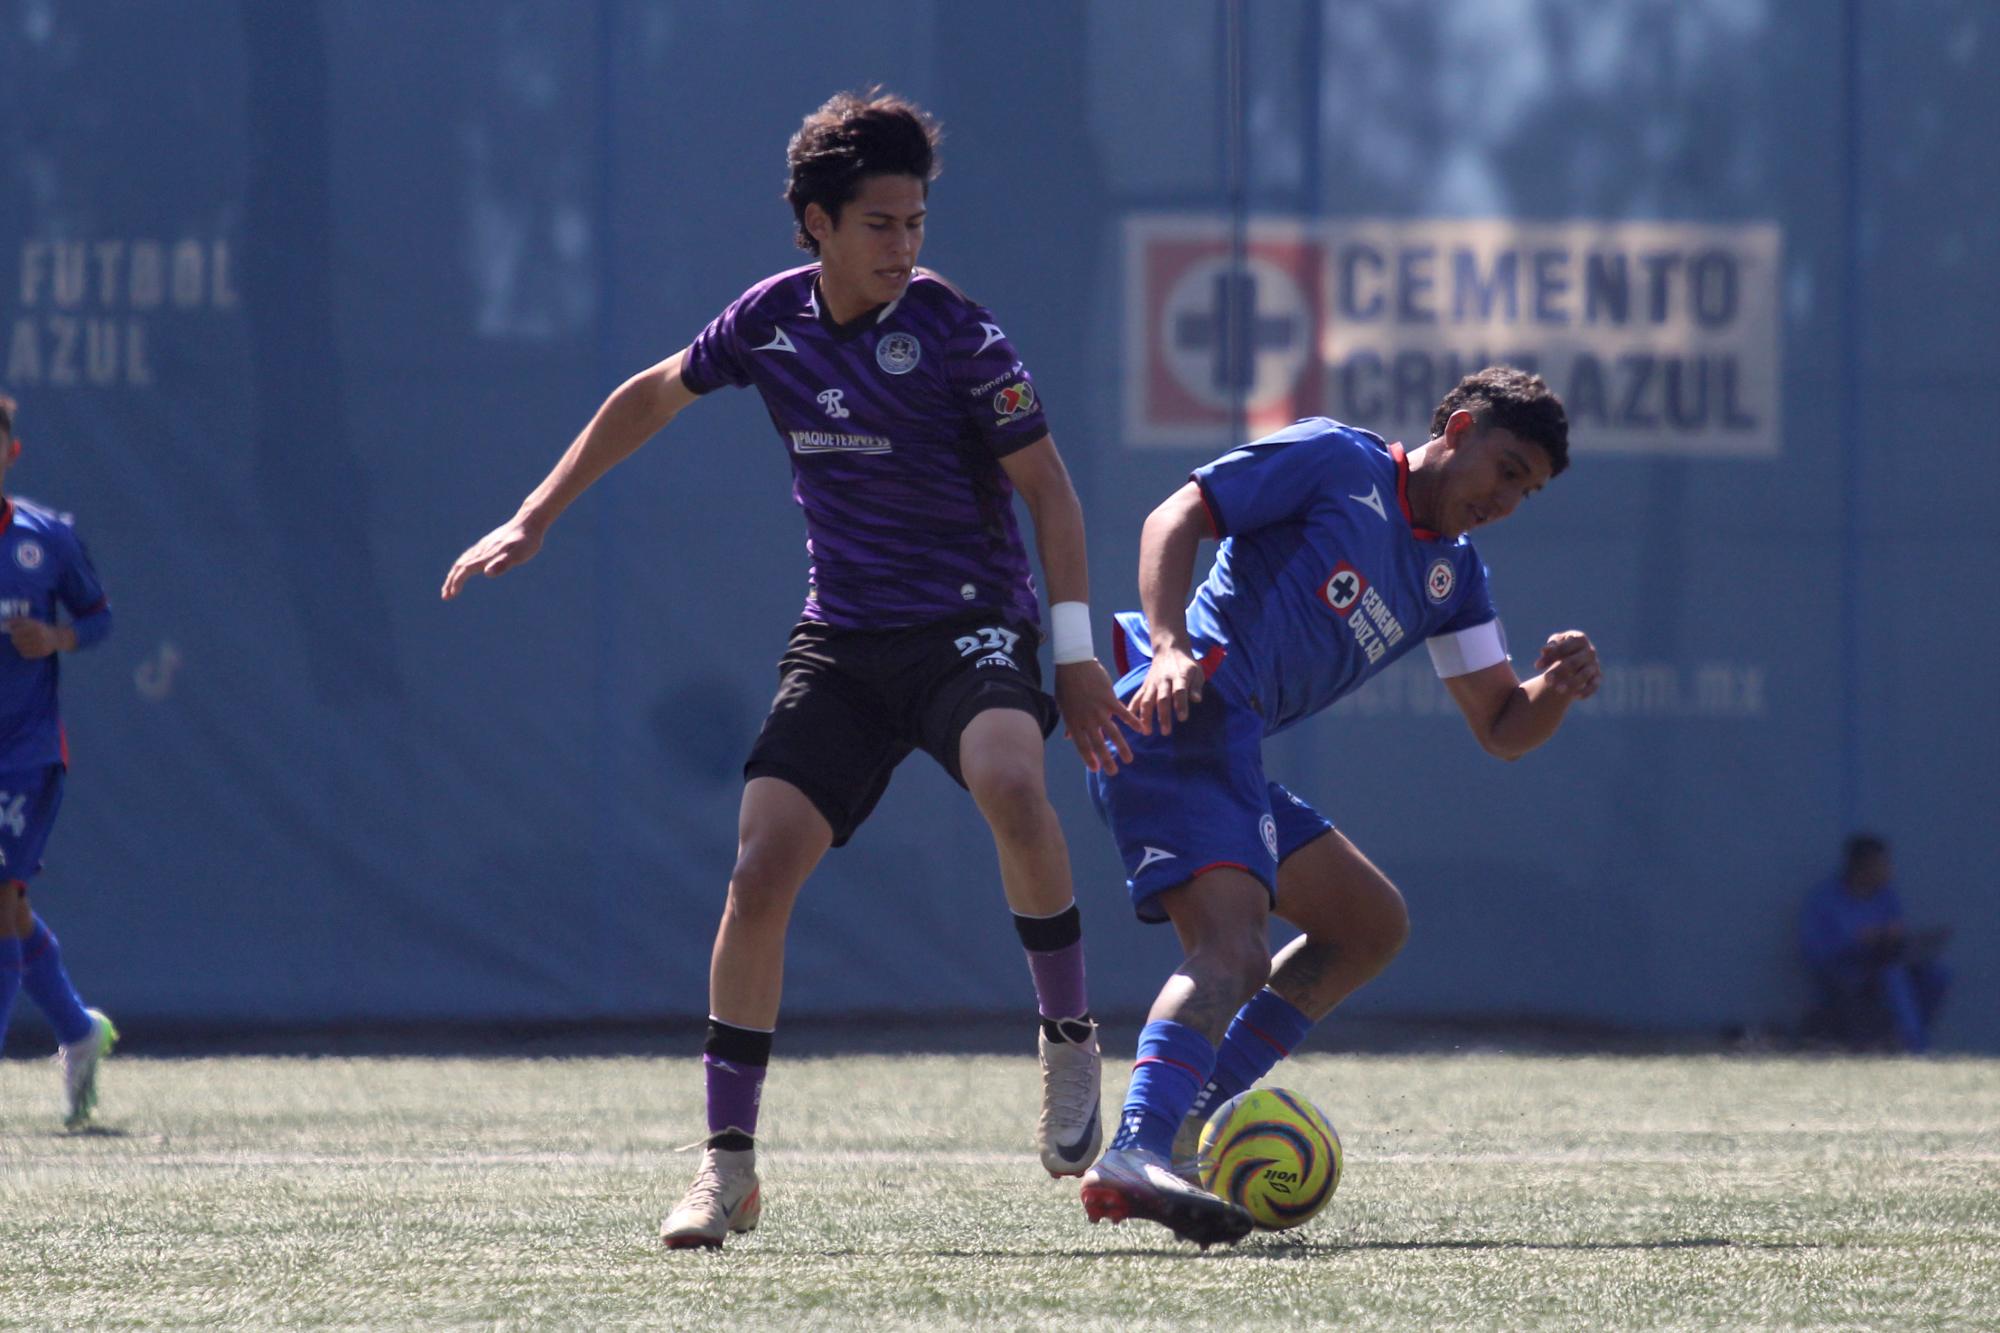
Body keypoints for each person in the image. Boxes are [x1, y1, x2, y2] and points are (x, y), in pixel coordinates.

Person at [442, 90, 1136, 1249]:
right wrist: (535, 513)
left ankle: (1067, 1040)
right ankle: (726, 1169)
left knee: (1014, 784)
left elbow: (1049, 493)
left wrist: (1071, 658)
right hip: (845, 641)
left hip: (968, 626)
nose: (902, 246)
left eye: (915, 222)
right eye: (878, 224)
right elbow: (650, 393)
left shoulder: (957, 332)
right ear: (816, 223)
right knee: (759, 871)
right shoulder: (767, 322)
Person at [1076, 368, 1599, 1246]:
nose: (1508, 500)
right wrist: (1168, 645)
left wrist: (1556, 684)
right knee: (1233, 949)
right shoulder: (1336, 460)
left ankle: (1189, 1121)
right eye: (1507, 470)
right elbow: (1177, 514)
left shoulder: (1454, 575)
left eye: (1529, 491)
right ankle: (1137, 1146)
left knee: (1368, 924)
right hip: (1182, 715)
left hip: (1229, 749)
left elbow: (1504, 727)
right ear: (1458, 431)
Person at [0, 392, 118, 1129]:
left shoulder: (46, 539)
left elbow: (98, 618)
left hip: (24, 753)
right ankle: (77, 1030)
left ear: (10, 453)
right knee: (11, 908)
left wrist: (56, 639)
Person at [1799, 834, 1950, 1053]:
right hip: (1845, 969)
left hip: (1884, 960)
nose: (1889, 870)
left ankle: (1910, 1035)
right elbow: (1816, 950)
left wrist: (1893, 936)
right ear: (1863, 866)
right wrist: (1857, 940)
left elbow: (1895, 930)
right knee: (1893, 977)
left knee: (1938, 975)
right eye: (1883, 864)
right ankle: (1915, 1048)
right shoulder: (1824, 899)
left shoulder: (1886, 896)